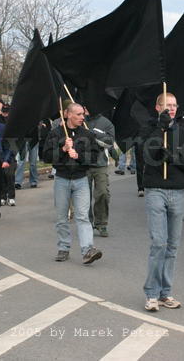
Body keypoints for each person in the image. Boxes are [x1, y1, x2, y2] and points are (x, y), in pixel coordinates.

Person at [140, 92, 184, 311]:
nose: (171, 109)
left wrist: (174, 157)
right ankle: (152, 293)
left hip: (177, 192)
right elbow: (145, 154)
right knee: (159, 243)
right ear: (157, 108)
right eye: (167, 106)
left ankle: (166, 292)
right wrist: (160, 129)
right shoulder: (149, 130)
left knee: (172, 246)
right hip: (155, 189)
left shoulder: (183, 133)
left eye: (174, 105)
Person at [42, 103, 102, 264]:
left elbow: (95, 157)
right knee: (62, 217)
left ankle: (88, 250)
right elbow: (46, 156)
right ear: (68, 114)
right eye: (78, 114)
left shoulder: (87, 135)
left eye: (83, 114)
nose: (83, 117)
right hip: (61, 179)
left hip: (81, 180)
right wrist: (62, 149)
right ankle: (63, 247)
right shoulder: (55, 134)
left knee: (82, 216)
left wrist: (79, 156)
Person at [84, 106, 115, 237]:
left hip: (100, 164)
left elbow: (109, 143)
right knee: (84, 197)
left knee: (103, 193)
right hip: (83, 164)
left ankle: (101, 223)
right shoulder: (80, 120)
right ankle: (87, 223)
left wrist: (94, 134)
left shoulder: (106, 122)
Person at [0, 104, 16, 207]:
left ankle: (11, 197)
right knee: (2, 176)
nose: (5, 114)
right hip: (1, 150)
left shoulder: (13, 121)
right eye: (3, 112)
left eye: (7, 112)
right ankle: (2, 196)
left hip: (11, 149)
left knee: (10, 175)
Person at [15, 125, 39, 189]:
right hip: (23, 141)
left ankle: (34, 181)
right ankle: (17, 182)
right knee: (21, 162)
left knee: (33, 163)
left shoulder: (35, 116)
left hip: (34, 140)